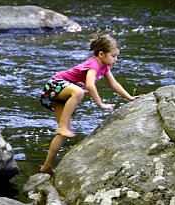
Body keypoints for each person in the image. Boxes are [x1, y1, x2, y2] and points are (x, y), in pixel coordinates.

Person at [38, 33, 138, 175]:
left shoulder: (105, 67)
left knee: (64, 135)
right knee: (79, 92)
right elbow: (90, 86)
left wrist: (130, 98)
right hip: (54, 86)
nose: (116, 59)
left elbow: (114, 84)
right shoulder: (94, 65)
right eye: (114, 56)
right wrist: (100, 104)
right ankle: (62, 127)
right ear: (102, 54)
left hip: (62, 96)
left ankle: (47, 166)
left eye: (117, 56)